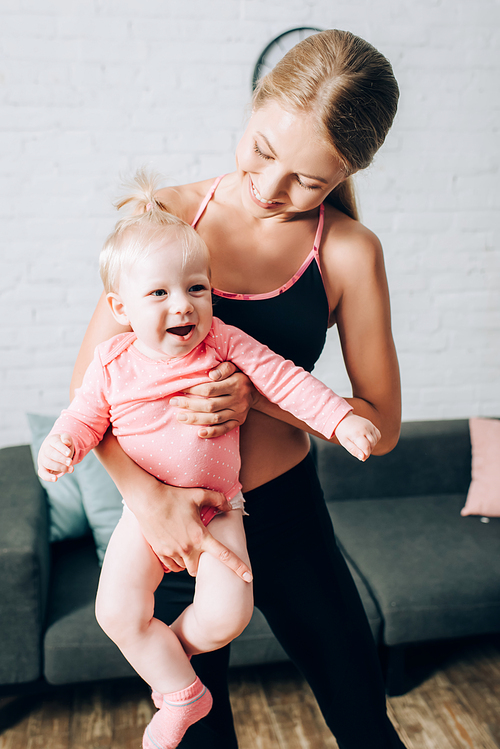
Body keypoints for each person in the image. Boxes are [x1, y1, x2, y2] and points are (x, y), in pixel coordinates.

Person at [71, 28, 404, 749]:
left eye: (309, 181)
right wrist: (151, 502)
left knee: (361, 714)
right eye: (262, 150)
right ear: (254, 107)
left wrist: (261, 398)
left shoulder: (347, 251)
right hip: (170, 515)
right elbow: (87, 392)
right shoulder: (165, 215)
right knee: (199, 729)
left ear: (349, 170)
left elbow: (383, 422)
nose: (271, 187)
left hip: (286, 515)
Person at [38, 182, 381, 749]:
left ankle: (172, 667)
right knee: (116, 613)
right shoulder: (113, 360)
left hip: (226, 508)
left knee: (228, 617)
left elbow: (286, 380)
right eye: (160, 293)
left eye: (197, 288)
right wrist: (63, 446)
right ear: (120, 308)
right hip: (147, 519)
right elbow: (84, 414)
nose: (183, 304)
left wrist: (341, 422)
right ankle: (182, 694)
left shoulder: (223, 339)